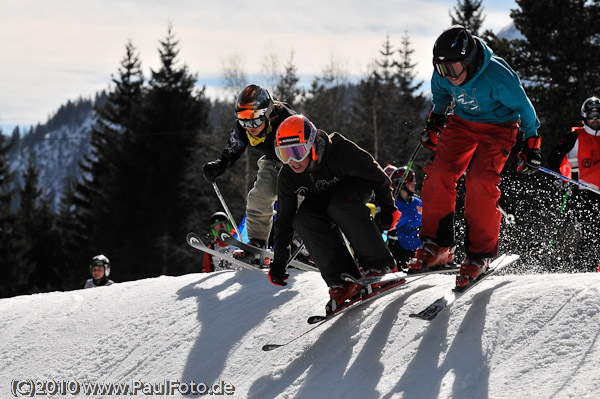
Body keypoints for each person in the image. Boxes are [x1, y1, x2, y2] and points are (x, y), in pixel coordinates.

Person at [408, 25, 541, 289]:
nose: (449, 75)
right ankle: (438, 245)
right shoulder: (443, 73)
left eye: (454, 69)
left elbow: (525, 110)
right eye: (443, 69)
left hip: (499, 127)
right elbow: (442, 96)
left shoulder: (497, 75)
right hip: (462, 124)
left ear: (468, 59)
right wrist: (435, 122)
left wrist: (531, 145)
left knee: (480, 181)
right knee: (439, 174)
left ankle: (479, 255)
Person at [267, 115, 401, 308]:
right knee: (304, 219)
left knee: (340, 206)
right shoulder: (288, 175)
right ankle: (341, 280)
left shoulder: (339, 151)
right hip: (323, 195)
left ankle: (380, 265)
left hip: (354, 186)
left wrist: (388, 208)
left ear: (312, 145)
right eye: (284, 154)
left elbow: (376, 174)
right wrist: (279, 261)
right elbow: (284, 219)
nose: (292, 161)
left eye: (297, 151)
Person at [202, 84, 296, 255]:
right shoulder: (243, 127)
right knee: (259, 196)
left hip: (298, 163)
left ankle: (299, 241)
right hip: (273, 161)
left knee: (295, 201)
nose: (249, 124)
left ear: (267, 112)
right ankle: (257, 243)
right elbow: (233, 148)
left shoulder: (286, 120)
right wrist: (220, 165)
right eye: (243, 116)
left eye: (254, 116)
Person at [547, 96, 600, 269]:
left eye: (598, 116)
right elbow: (553, 157)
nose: (595, 120)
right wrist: (560, 178)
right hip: (583, 192)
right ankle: (583, 268)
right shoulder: (575, 137)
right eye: (591, 116)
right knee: (591, 232)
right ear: (584, 116)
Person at [384, 165, 423, 268]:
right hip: (398, 251)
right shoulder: (392, 205)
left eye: (414, 179)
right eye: (410, 179)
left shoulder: (419, 203)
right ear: (399, 182)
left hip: (418, 251)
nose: (414, 182)